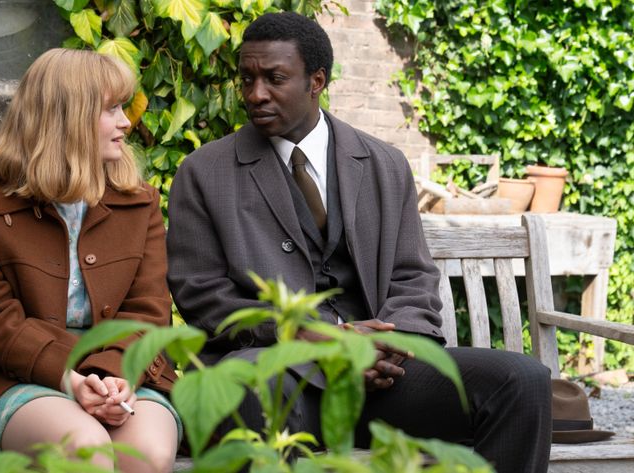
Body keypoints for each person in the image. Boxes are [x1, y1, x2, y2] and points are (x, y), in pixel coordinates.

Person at [166, 12, 551, 473]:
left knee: (522, 380)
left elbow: (413, 276)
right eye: (246, 79)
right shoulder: (204, 173)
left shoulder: (384, 164)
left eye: (274, 78)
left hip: (384, 380)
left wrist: (388, 348)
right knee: (245, 386)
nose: (255, 94)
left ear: (317, 81)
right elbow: (202, 296)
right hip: (282, 377)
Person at [0, 48, 180, 473]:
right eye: (111, 109)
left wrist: (113, 376)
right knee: (84, 450)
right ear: (66, 117)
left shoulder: (137, 200)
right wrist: (71, 379)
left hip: (123, 373)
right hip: (13, 378)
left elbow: (149, 312)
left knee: (147, 456)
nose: (126, 122)